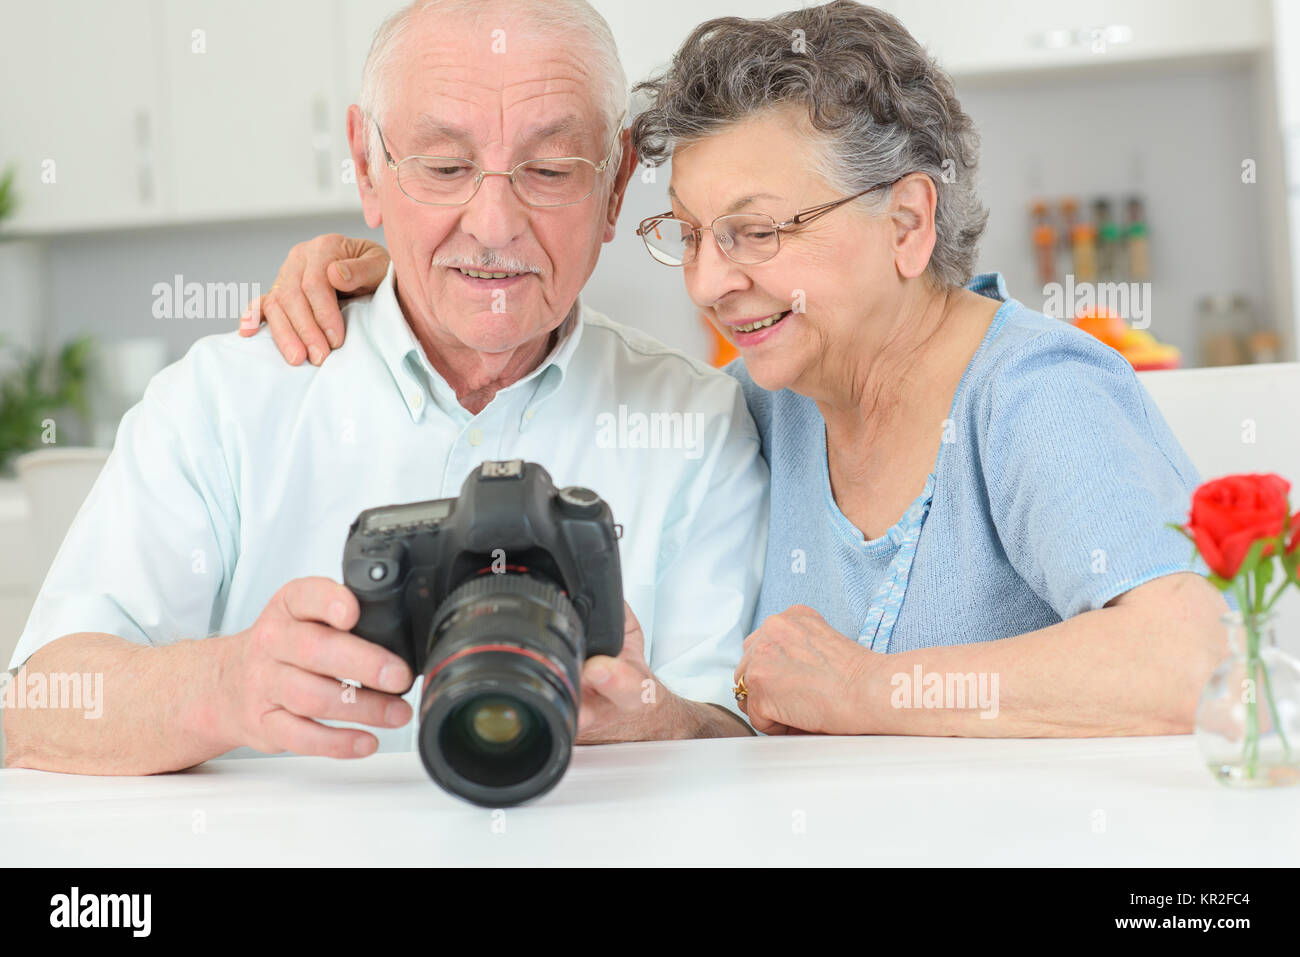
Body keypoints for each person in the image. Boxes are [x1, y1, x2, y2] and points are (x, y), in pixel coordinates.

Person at [253, 0, 1228, 739]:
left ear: (906, 223)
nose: (713, 281)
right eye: (691, 235)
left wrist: (871, 694)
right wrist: (412, 279)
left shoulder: (1030, 394)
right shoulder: (780, 405)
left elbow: (1198, 660)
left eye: (757, 231)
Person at [3, 0, 768, 776]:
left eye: (548, 169)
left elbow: (738, 742)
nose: (495, 224)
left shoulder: (698, 424)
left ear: (614, 187)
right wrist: (225, 684)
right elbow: (32, 708)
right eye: (445, 168)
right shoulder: (222, 402)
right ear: (367, 169)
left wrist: (659, 718)